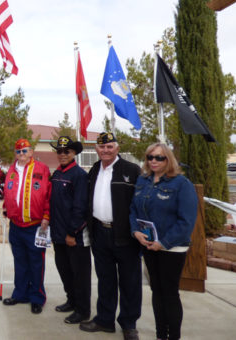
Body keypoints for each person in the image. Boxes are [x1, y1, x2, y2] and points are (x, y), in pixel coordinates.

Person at [130, 143, 197, 340]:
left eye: (159, 157)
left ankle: (173, 336)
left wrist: (164, 242)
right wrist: (136, 231)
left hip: (172, 248)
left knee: (169, 292)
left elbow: (186, 222)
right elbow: (133, 209)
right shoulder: (143, 180)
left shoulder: (182, 184)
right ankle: (161, 334)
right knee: (156, 291)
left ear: (169, 159)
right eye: (150, 157)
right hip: (149, 245)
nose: (154, 161)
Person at [79, 132, 142, 340]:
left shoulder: (131, 170)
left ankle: (129, 324)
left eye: (109, 147)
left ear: (117, 148)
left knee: (129, 282)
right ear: (96, 149)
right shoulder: (94, 169)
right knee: (105, 280)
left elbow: (139, 204)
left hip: (125, 236)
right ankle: (104, 320)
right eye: (101, 147)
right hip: (100, 233)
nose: (105, 150)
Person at [2, 138, 51, 314]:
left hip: (36, 225)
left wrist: (47, 215)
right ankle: (20, 294)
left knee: (36, 263)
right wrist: (6, 208)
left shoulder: (42, 169)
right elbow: (9, 192)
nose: (21, 154)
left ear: (31, 152)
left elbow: (48, 195)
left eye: (24, 151)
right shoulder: (11, 170)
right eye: (18, 151)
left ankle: (37, 297)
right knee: (20, 262)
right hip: (16, 225)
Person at [49, 136, 91, 325]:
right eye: (59, 151)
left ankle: (82, 310)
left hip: (74, 236)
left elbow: (80, 207)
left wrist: (72, 233)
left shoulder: (79, 175)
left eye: (66, 151)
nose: (62, 154)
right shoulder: (57, 173)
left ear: (74, 153)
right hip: (58, 234)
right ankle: (71, 301)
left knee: (79, 274)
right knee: (65, 271)